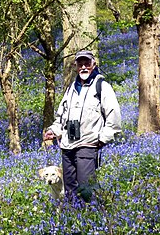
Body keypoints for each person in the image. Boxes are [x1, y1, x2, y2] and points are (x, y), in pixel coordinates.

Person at [43, 50, 122, 202]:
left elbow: (113, 115)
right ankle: (72, 218)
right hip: (67, 146)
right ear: (76, 66)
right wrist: (53, 130)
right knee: (70, 189)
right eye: (80, 64)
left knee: (86, 188)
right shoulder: (71, 89)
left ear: (94, 64)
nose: (84, 67)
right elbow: (62, 115)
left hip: (88, 145)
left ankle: (93, 215)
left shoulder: (102, 86)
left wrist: (103, 138)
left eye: (87, 64)